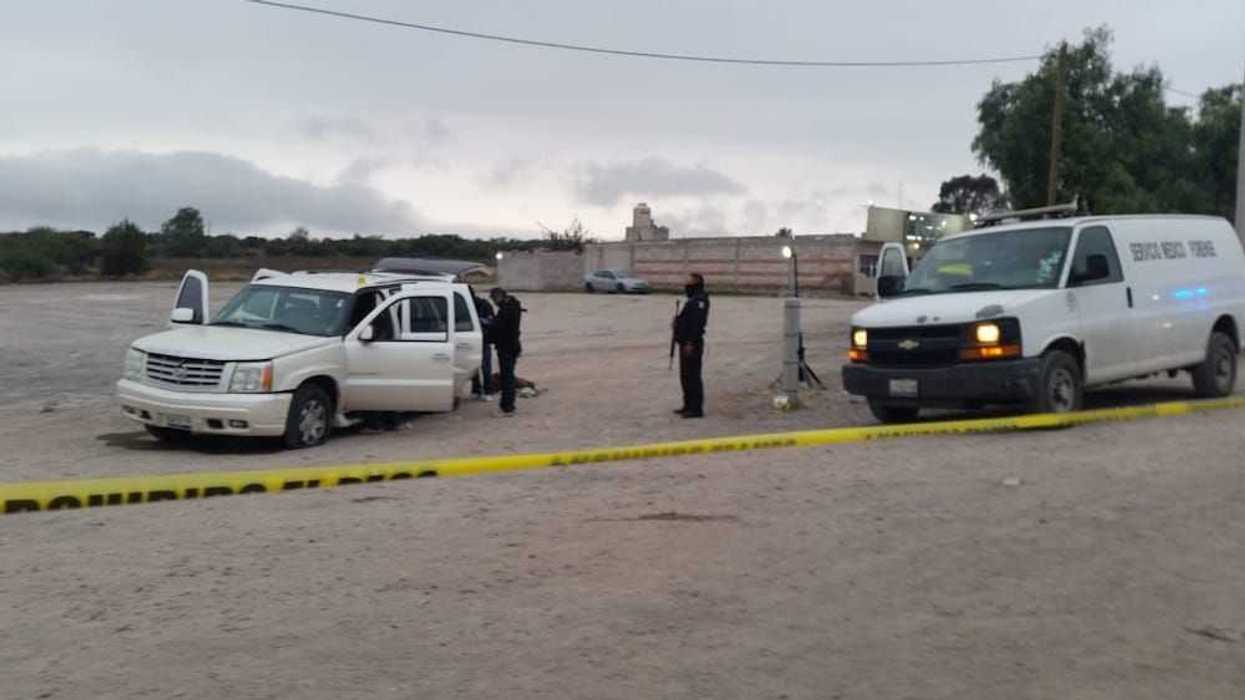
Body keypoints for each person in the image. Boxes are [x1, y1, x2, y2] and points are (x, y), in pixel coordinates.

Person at [673, 273, 710, 418]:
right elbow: (687, 320)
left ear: (697, 283)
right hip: (685, 343)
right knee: (685, 376)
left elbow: (697, 324)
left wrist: (689, 342)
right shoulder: (693, 300)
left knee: (693, 376)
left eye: (689, 283)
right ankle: (687, 405)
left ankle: (696, 409)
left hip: (692, 344)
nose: (686, 285)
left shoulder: (700, 301)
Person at [488, 287, 523, 415]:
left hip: (506, 347)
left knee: (507, 377)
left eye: (494, 299)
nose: (494, 303)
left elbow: (499, 328)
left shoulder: (506, 310)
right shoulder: (513, 306)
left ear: (498, 297)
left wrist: (489, 324)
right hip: (513, 346)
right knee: (508, 376)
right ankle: (508, 406)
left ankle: (507, 407)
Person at [470, 288, 495, 399]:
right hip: (472, 339)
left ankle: (488, 391)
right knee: (474, 367)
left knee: (485, 367)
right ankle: (476, 390)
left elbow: (492, 321)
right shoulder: (465, 304)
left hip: (484, 339)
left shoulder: (484, 305)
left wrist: (479, 320)